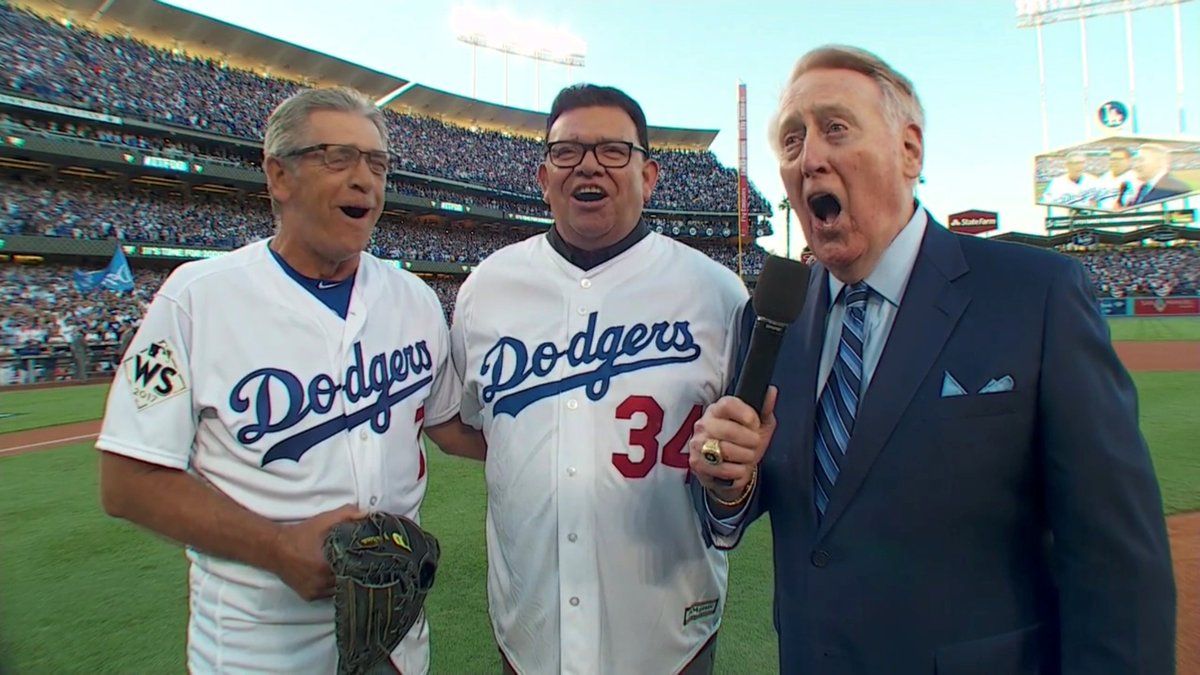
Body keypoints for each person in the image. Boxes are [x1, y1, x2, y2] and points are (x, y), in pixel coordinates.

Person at [687, 45, 1176, 674]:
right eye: (790, 140)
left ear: (909, 150)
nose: (809, 157)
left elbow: (1116, 562)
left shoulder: (1037, 295)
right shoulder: (772, 318)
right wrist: (729, 480)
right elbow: (744, 503)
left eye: (835, 128)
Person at [96, 86, 485, 675]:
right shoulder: (194, 298)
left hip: (398, 638)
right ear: (279, 176)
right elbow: (128, 478)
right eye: (338, 157)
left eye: (377, 163)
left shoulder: (415, 300)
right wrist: (276, 548)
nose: (365, 179)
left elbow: (450, 426)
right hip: (257, 648)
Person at [450, 84, 748, 674]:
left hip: (671, 632)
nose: (588, 164)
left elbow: (747, 457)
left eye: (614, 150)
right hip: (530, 626)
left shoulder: (716, 292)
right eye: (568, 152)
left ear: (650, 175)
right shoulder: (488, 287)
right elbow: (477, 428)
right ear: (543, 176)